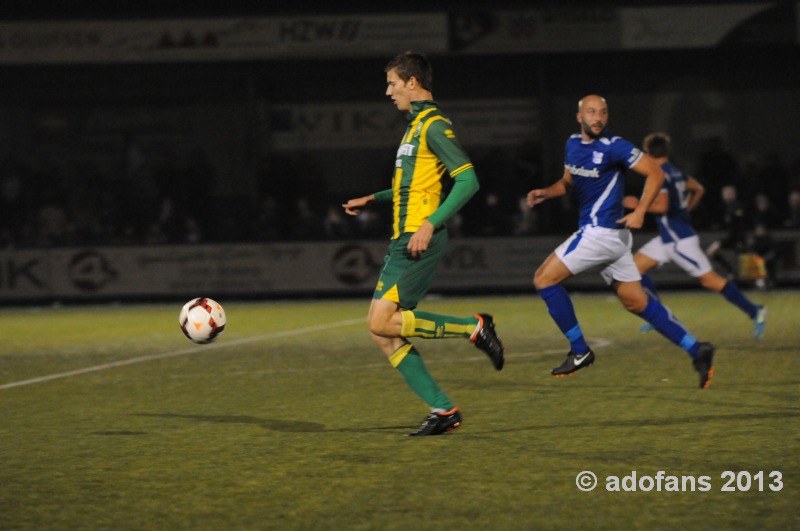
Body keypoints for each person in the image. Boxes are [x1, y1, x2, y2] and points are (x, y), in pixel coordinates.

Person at [342, 51, 505, 436]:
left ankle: (473, 327)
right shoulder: (414, 127)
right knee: (381, 332)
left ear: (412, 83)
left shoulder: (433, 126)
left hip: (418, 239)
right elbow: (410, 186)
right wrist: (374, 198)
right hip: (404, 238)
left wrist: (431, 224)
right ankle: (444, 411)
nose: (388, 91)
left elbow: (468, 181)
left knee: (380, 322)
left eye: (393, 83)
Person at [526, 95, 715, 389]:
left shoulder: (615, 146)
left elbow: (655, 173)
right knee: (636, 302)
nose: (597, 117)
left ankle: (579, 351)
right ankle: (696, 349)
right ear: (579, 117)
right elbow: (567, 183)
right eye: (591, 112)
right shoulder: (572, 144)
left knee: (544, 279)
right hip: (612, 239)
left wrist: (640, 211)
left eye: (602, 112)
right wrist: (546, 192)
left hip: (599, 233)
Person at [624, 132, 766, 339]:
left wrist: (637, 205)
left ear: (648, 152)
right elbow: (698, 188)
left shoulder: (659, 173)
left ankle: (756, 311)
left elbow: (663, 206)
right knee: (633, 269)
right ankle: (658, 316)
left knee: (711, 281)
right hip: (668, 238)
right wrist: (685, 210)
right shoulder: (675, 171)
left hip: (679, 241)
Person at [706, 184, 747, 279]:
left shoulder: (737, 206)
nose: (726, 195)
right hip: (731, 237)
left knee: (745, 263)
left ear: (734, 194)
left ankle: (759, 281)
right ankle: (731, 272)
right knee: (711, 252)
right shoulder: (728, 207)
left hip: (736, 238)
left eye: (729, 193)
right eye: (725, 193)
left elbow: (741, 225)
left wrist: (740, 240)